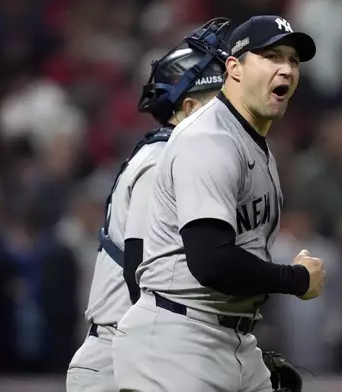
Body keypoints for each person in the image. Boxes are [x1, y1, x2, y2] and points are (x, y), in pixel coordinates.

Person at [112, 15, 325, 392]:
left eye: (293, 61)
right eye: (271, 56)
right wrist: (296, 279)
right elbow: (212, 261)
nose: (286, 69)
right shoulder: (208, 139)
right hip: (177, 339)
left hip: (228, 336)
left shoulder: (252, 141)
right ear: (234, 68)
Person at [66, 18, 231, 392]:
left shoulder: (189, 161)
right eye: (219, 100)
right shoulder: (161, 161)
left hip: (148, 353)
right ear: (189, 108)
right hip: (120, 360)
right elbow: (139, 272)